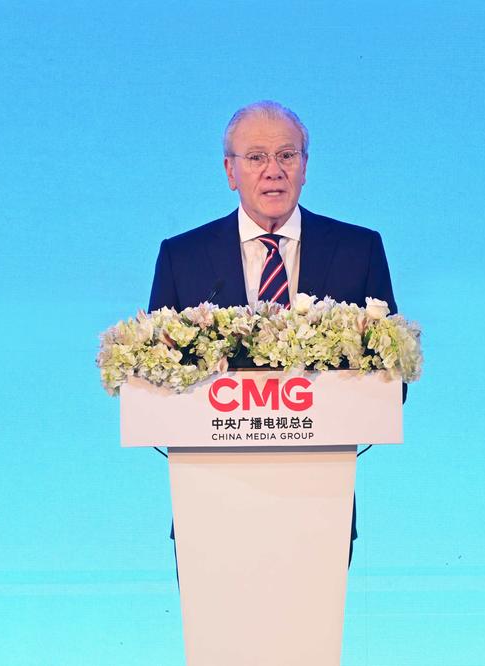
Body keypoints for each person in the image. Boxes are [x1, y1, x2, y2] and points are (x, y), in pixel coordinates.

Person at [148, 100, 402, 566]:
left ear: (305, 166)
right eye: (256, 157)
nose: (273, 171)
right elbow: (155, 381)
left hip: (320, 505)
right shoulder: (182, 257)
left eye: (287, 155)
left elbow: (392, 379)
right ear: (230, 171)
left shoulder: (357, 250)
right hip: (209, 505)